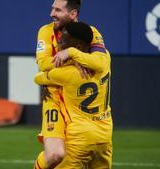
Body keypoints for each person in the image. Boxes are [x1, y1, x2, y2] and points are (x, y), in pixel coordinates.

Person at [34, 0, 109, 168]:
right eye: (52, 8)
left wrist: (71, 52)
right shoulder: (45, 31)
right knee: (55, 155)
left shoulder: (92, 32)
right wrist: (74, 60)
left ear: (73, 14)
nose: (52, 14)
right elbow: (44, 64)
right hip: (53, 97)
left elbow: (101, 63)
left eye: (58, 10)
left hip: (76, 101)